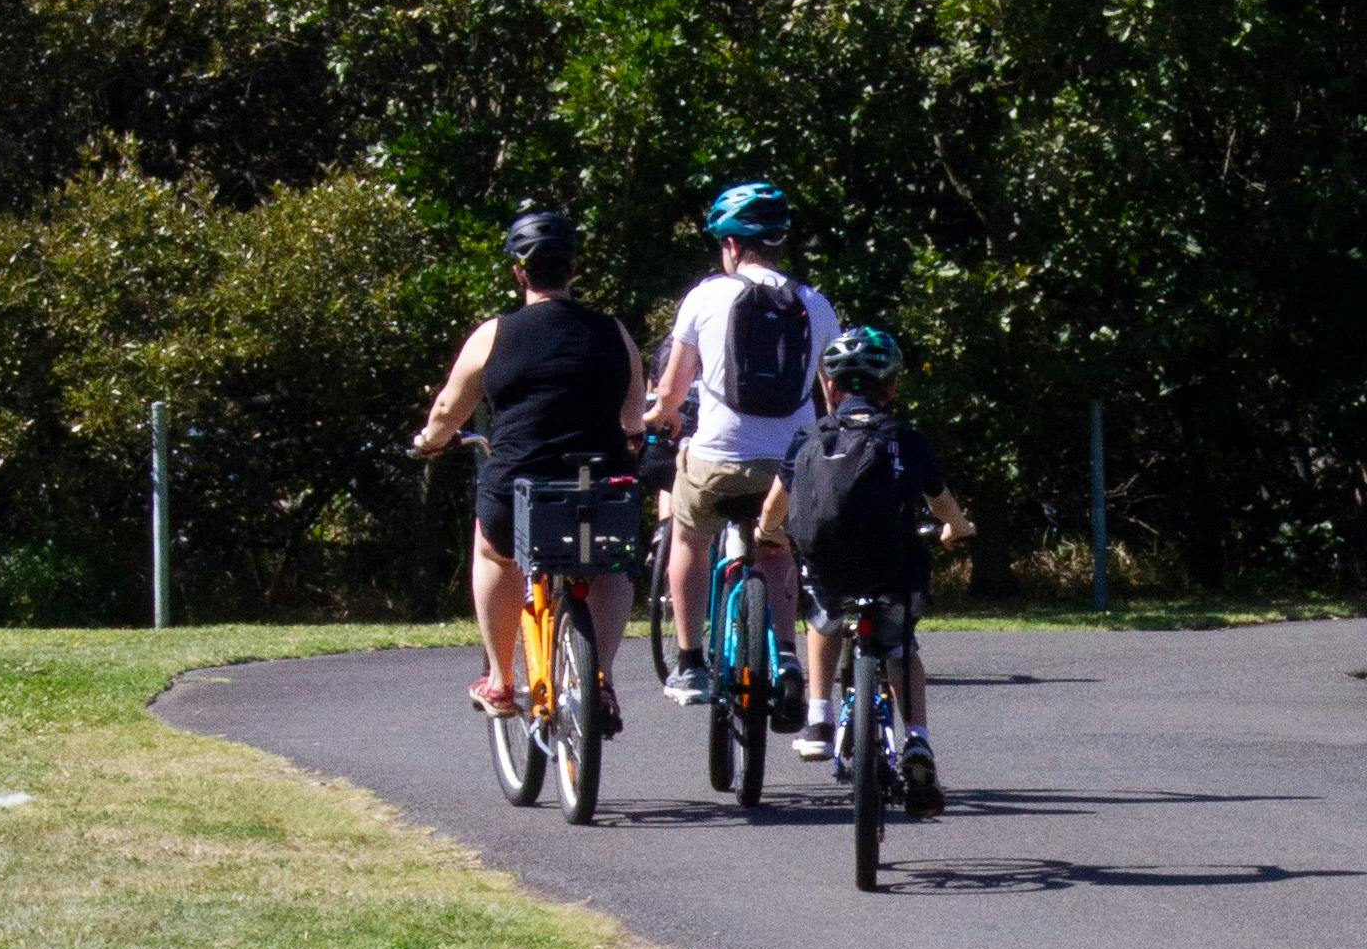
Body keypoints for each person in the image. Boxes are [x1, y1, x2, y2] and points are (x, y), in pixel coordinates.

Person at [412, 208, 648, 728]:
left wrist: (430, 442)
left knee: (493, 551)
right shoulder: (613, 332)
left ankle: (500, 681)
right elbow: (635, 413)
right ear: (573, 268)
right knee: (610, 567)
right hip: (599, 484)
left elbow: (450, 411)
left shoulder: (494, 334)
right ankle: (600, 678)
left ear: (519, 272)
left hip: (520, 484)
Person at [757, 325, 973, 815]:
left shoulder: (809, 436)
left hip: (829, 567)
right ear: (892, 387)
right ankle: (916, 739)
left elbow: (777, 503)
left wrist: (766, 534)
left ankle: (818, 718)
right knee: (901, 647)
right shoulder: (905, 439)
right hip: (891, 569)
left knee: (822, 617)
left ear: (830, 387)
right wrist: (958, 528)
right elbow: (941, 502)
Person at [642, 180, 835, 711]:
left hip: (718, 461)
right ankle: (789, 657)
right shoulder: (816, 306)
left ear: (730, 245)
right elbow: (833, 398)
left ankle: (690, 663)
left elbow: (673, 392)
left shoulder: (705, 297)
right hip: (789, 468)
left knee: (689, 537)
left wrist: (655, 417)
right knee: (774, 547)